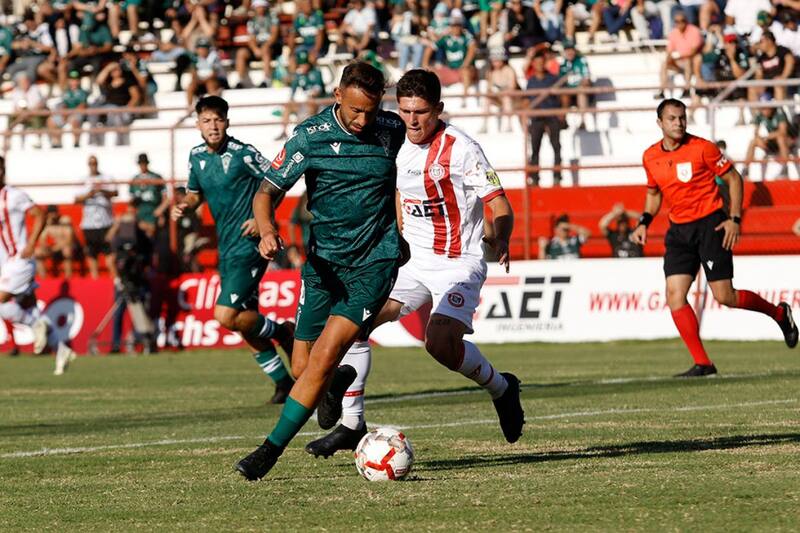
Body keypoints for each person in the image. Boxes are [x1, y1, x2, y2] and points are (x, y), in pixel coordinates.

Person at [303, 68, 525, 458]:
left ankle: (502, 388)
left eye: (421, 112)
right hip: (412, 263)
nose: (412, 120)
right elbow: (391, 189)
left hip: (459, 262)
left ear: (438, 109)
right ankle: (353, 425)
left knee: (438, 344)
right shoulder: (392, 140)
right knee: (356, 319)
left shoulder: (462, 148)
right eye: (405, 111)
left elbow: (498, 203)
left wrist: (501, 235)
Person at [236, 62, 406, 481]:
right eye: (355, 111)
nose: (363, 120)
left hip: (373, 264)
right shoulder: (308, 139)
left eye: (371, 110)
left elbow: (412, 176)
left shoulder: (393, 129)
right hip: (323, 264)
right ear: (337, 96)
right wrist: (268, 229)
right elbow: (266, 193)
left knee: (325, 355)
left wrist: (403, 233)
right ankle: (332, 385)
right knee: (302, 368)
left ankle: (269, 451)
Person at [632, 98, 798, 377]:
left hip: (711, 225)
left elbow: (734, 179)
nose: (679, 123)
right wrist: (644, 221)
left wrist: (734, 219)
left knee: (725, 296)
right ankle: (704, 364)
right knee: (675, 296)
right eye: (672, 118)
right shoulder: (650, 156)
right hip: (678, 231)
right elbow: (653, 193)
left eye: (682, 117)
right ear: (660, 123)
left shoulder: (702, 148)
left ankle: (779, 314)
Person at [171, 95, 295, 404]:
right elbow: (194, 194)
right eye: (206, 120)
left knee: (226, 315)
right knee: (244, 320)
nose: (213, 126)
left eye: (218, 119)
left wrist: (260, 218)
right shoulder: (196, 156)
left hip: (250, 244)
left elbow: (277, 181)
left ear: (227, 122)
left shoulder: (244, 154)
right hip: (226, 248)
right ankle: (283, 384)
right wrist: (186, 206)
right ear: (198, 125)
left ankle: (283, 332)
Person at [0, 156, 76, 375]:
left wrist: (32, 243)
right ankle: (62, 350)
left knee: (2, 301)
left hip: (21, 261)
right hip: (9, 263)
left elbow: (39, 214)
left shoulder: (14, 195)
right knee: (30, 307)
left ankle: (36, 328)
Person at [76, 155, 117, 279]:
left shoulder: (107, 178)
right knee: (92, 255)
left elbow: (115, 192)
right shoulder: (83, 180)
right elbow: (76, 199)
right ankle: (96, 282)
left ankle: (115, 282)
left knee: (110, 255)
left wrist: (102, 191)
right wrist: (90, 194)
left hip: (106, 222)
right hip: (89, 224)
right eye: (91, 163)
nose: (93, 166)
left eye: (95, 163)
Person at [423, 11, 477, 103]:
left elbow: (473, 48)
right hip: (452, 69)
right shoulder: (446, 38)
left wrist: (465, 64)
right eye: (453, 25)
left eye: (458, 25)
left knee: (466, 71)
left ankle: (464, 100)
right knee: (430, 72)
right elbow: (430, 48)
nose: (456, 28)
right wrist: (425, 64)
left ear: (461, 26)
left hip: (465, 69)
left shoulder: (466, 36)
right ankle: (433, 98)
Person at [526, 52, 563, 187]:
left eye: (541, 63)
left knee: (556, 147)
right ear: (534, 65)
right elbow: (527, 99)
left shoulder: (553, 78)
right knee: (535, 148)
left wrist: (561, 113)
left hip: (552, 115)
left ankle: (557, 177)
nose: (540, 65)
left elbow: (562, 97)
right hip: (536, 118)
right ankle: (535, 178)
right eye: (537, 63)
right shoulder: (531, 81)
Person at [742, 94, 797, 180]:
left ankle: (785, 168)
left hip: (788, 141)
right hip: (773, 142)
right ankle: (746, 169)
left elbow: (783, 131)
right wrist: (759, 139)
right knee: (753, 141)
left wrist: (767, 137)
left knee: (781, 138)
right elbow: (755, 131)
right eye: (762, 107)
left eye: (766, 107)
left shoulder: (779, 111)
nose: (764, 110)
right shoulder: (760, 114)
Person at [655, 10, 702, 99]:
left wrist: (679, 55)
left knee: (688, 61)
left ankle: (687, 89)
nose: (680, 23)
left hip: (691, 61)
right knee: (664, 63)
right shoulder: (673, 33)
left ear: (686, 21)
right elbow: (669, 51)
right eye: (677, 21)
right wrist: (670, 58)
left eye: (682, 20)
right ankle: (661, 90)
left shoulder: (694, 31)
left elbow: (694, 51)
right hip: (679, 61)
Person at [234, 0, 280, 89]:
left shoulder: (273, 18)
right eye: (258, 6)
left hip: (271, 47)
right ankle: (240, 80)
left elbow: (274, 35)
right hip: (258, 47)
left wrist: (265, 46)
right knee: (241, 52)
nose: (260, 9)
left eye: (262, 6)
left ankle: (266, 79)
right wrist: (255, 49)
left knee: (266, 50)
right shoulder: (252, 21)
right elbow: (251, 38)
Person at [480, 47, 519, 134]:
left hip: (511, 98)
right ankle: (484, 125)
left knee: (506, 98)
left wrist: (502, 91)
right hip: (498, 97)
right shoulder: (490, 72)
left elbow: (513, 87)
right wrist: (493, 92)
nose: (495, 62)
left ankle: (509, 125)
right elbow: (489, 88)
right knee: (487, 99)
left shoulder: (509, 70)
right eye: (493, 60)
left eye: (497, 60)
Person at [35, 205, 80, 278]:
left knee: (66, 250)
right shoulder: (47, 223)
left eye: (54, 213)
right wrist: (45, 246)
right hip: (54, 248)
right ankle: (43, 279)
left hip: (67, 247)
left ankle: (68, 278)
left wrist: (55, 248)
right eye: (51, 213)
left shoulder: (65, 221)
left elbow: (69, 239)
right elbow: (42, 239)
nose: (53, 215)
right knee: (37, 252)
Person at [47, 69, 88, 149]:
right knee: (51, 120)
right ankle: (57, 142)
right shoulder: (66, 92)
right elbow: (64, 104)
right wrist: (63, 113)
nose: (74, 82)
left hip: (76, 114)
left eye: (76, 80)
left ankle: (76, 143)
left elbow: (82, 106)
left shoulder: (83, 92)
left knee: (74, 120)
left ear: (79, 81)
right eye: (72, 80)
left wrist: (69, 113)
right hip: (66, 114)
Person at [130, 153, 168, 238]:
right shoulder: (134, 179)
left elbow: (166, 198)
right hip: (141, 215)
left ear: (147, 163)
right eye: (141, 163)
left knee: (154, 234)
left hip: (154, 213)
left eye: (144, 163)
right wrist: (135, 218)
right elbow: (132, 203)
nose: (143, 165)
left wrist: (161, 213)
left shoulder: (157, 177)